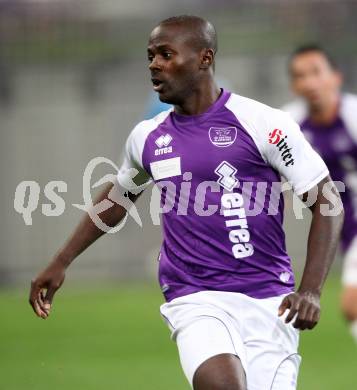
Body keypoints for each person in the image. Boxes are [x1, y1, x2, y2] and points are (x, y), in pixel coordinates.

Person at [29, 16, 344, 390]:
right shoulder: (147, 137)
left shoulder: (264, 124)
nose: (154, 65)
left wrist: (309, 290)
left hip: (269, 302)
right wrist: (61, 261)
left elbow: (326, 199)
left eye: (166, 54)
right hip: (194, 297)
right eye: (150, 56)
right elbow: (118, 197)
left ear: (204, 58)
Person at [282, 44, 357, 345]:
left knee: (352, 304)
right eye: (301, 76)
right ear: (294, 85)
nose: (310, 82)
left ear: (335, 77)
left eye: (316, 72)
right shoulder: (290, 124)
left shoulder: (353, 116)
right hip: (348, 232)